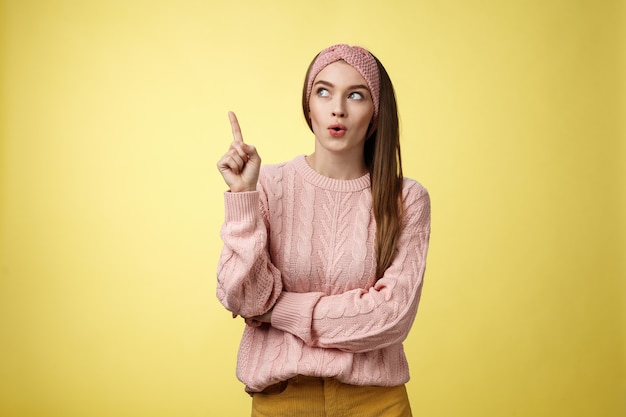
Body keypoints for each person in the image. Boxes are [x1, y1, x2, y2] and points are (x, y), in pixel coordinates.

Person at [216, 44, 431, 417]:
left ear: (376, 114)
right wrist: (243, 197)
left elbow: (389, 317)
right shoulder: (266, 185)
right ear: (309, 106)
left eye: (356, 95)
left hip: (375, 403)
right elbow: (245, 299)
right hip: (283, 400)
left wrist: (279, 310)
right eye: (324, 91)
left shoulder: (405, 198)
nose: (338, 108)